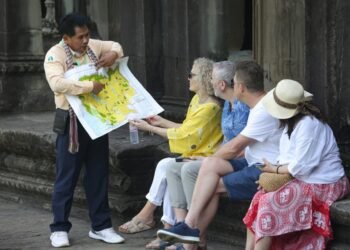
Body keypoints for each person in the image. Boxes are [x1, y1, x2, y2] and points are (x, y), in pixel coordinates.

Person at [157, 61, 282, 249]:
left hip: (265, 168)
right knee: (209, 166)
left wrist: (208, 157)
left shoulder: (261, 110)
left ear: (239, 87)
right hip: (250, 161)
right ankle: (187, 226)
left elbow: (234, 148)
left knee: (210, 181)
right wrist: (210, 160)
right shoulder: (255, 106)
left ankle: (192, 235)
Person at [118, 58, 223, 248]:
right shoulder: (197, 101)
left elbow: (188, 136)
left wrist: (151, 128)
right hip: (193, 155)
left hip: (204, 157)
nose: (188, 78)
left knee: (168, 166)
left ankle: (152, 218)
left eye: (191, 74)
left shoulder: (211, 107)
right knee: (167, 166)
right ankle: (168, 225)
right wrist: (160, 122)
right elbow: (187, 129)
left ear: (205, 78)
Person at [44, 13, 124, 248]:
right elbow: (56, 83)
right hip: (71, 123)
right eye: (80, 37)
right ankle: (59, 228)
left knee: (99, 174)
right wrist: (90, 86)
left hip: (96, 120)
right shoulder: (54, 54)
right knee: (66, 177)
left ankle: (101, 226)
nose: (86, 41)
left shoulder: (93, 46)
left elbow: (115, 46)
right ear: (66, 38)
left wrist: (112, 54)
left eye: (88, 35)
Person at [243, 79, 350, 250]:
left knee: (268, 204)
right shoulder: (290, 125)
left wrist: (274, 170)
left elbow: (300, 167)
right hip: (302, 179)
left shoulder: (309, 125)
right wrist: (270, 179)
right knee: (259, 198)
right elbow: (287, 158)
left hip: (324, 183)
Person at [165, 61, 250, 249]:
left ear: (221, 85)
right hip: (223, 157)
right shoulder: (227, 106)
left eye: (211, 80)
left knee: (191, 170)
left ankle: (197, 236)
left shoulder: (244, 107)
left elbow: (242, 147)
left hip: (240, 160)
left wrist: (209, 158)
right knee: (172, 166)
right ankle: (182, 227)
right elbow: (226, 140)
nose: (208, 83)